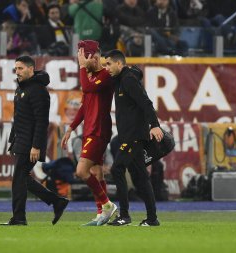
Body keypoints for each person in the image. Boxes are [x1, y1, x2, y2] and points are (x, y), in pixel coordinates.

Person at [1, 55, 69, 226]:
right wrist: (13, 141)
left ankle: (19, 217)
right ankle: (56, 201)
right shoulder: (21, 88)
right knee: (23, 178)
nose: (17, 72)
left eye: (21, 68)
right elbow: (19, 119)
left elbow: (42, 121)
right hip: (20, 141)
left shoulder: (38, 90)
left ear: (31, 69)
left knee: (19, 179)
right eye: (16, 69)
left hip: (30, 143)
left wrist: (36, 146)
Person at [61, 40, 117, 226]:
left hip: (99, 130)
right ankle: (102, 212)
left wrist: (82, 67)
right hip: (90, 129)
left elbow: (87, 88)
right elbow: (85, 106)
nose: (83, 61)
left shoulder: (106, 75)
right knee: (97, 173)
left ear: (94, 56)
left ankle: (108, 206)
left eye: (85, 57)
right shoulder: (91, 76)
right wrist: (71, 128)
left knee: (81, 171)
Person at [104, 49, 163, 226]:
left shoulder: (128, 79)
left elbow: (146, 103)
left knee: (117, 169)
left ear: (119, 64)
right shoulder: (120, 79)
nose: (106, 67)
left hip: (134, 135)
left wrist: (154, 125)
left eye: (109, 64)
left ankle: (124, 215)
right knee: (141, 177)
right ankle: (152, 219)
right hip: (129, 135)